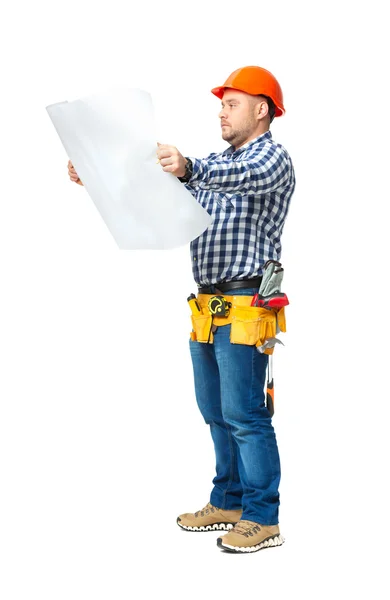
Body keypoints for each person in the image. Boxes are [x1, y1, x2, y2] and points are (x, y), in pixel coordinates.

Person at [67, 65, 296, 554]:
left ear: (262, 109)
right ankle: (229, 502)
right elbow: (160, 194)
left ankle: (263, 516)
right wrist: (99, 176)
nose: (221, 112)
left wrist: (189, 166)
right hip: (208, 305)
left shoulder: (271, 160)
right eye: (220, 104)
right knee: (215, 412)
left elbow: (230, 175)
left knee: (245, 414)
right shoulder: (214, 162)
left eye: (231, 103)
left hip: (245, 303)